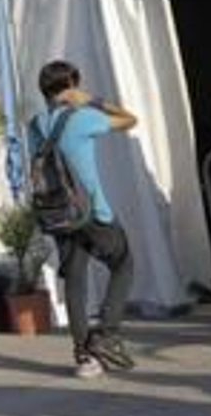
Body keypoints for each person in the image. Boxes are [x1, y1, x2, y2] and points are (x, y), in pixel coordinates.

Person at [28, 60, 140, 378]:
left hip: (58, 213)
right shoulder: (82, 117)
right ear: (71, 86)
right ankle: (106, 335)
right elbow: (130, 120)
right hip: (92, 211)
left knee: (75, 279)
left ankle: (84, 357)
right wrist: (91, 100)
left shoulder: (34, 125)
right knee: (123, 264)